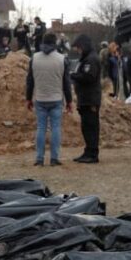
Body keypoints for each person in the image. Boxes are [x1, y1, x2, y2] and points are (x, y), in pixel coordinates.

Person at [25, 32, 72, 166]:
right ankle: (54, 159)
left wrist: (28, 98)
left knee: (41, 128)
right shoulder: (62, 59)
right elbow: (66, 83)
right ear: (55, 43)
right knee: (55, 128)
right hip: (56, 99)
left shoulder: (34, 58)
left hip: (40, 99)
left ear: (43, 42)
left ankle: (39, 159)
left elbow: (30, 81)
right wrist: (69, 101)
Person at [69, 34, 101, 164]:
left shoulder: (91, 59)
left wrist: (73, 76)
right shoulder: (85, 58)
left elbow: (89, 77)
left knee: (91, 126)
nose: (78, 50)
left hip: (90, 99)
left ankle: (92, 154)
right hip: (85, 98)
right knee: (86, 127)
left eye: (78, 48)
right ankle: (88, 151)